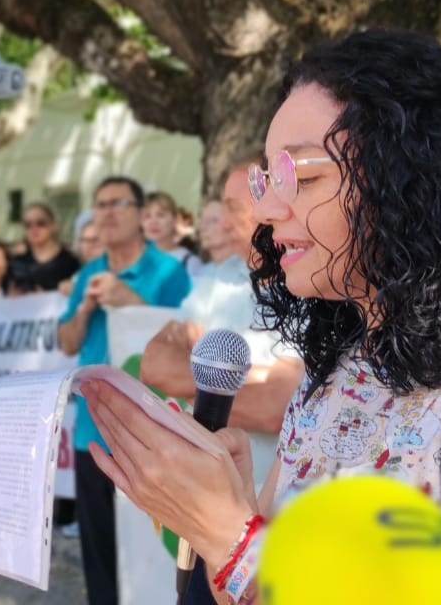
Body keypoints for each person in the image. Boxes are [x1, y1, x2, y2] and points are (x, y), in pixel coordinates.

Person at [84, 31, 441, 604]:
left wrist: (231, 537)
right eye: (267, 181)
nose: (269, 210)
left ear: (408, 180)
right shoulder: (342, 370)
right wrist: (211, 515)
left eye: (301, 178)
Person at [57, 175, 193, 605]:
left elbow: (186, 335)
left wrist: (128, 298)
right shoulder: (89, 273)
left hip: (148, 433)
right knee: (99, 561)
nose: (108, 212)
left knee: (150, 561)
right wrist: (84, 307)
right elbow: (67, 341)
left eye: (118, 203)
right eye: (100, 205)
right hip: (91, 434)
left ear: (139, 211)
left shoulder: (169, 271)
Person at [139, 156, 303, 462]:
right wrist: (248, 377)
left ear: (273, 210)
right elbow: (153, 364)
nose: (224, 222)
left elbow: (275, 408)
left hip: (279, 502)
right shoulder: (220, 277)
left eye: (235, 209)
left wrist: (192, 371)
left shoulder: (309, 287)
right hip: (208, 489)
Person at [9, 203, 81, 294]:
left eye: (41, 223)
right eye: (27, 225)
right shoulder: (17, 263)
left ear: (54, 225)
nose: (33, 228)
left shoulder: (71, 262)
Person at [142, 191, 201, 276]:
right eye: (147, 216)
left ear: (175, 219)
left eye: (160, 215)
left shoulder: (189, 262)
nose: (153, 221)